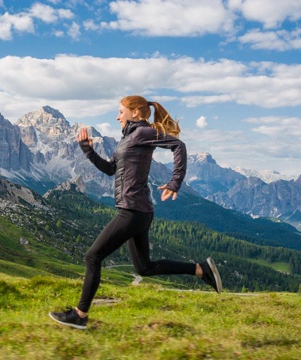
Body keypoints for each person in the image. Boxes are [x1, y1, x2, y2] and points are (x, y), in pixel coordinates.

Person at [49, 95, 222, 330]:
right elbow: (111, 169)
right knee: (144, 268)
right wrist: (88, 152)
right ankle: (201, 269)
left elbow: (178, 146)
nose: (117, 116)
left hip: (132, 211)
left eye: (121, 111)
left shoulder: (142, 133)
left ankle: (80, 315)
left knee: (93, 256)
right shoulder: (128, 139)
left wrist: (175, 182)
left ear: (136, 113)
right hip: (139, 211)